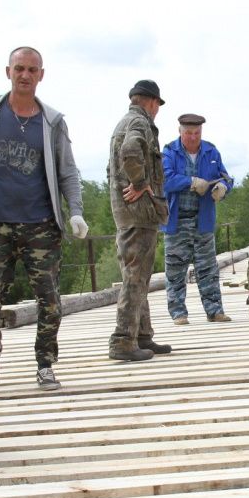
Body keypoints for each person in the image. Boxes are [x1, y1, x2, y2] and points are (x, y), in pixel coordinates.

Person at [0, 46, 88, 390]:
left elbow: (68, 170)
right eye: (19, 68)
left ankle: (45, 363)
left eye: (32, 70)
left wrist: (76, 212)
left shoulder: (52, 122)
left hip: (41, 224)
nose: (25, 75)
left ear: (41, 75)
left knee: (49, 298)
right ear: (8, 72)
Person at [107, 79, 172, 361]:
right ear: (152, 102)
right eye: (157, 105)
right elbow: (131, 152)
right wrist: (142, 183)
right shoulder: (140, 124)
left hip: (125, 212)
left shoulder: (122, 123)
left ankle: (142, 336)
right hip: (139, 212)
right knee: (135, 276)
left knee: (138, 274)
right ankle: (123, 340)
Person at [161, 113, 234, 325]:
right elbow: (164, 180)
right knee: (175, 269)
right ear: (180, 131)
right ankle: (178, 313)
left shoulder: (211, 151)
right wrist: (191, 182)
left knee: (208, 268)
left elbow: (226, 177)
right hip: (176, 220)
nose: (193, 137)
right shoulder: (169, 151)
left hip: (203, 220)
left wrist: (223, 188)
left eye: (197, 133)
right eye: (188, 133)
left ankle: (215, 311)